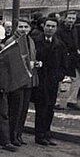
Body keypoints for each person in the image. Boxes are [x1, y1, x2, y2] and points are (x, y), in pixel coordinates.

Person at [31, 17, 65, 146]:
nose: (50, 29)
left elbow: (63, 62)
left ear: (56, 28)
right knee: (41, 108)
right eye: (48, 26)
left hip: (53, 80)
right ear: (43, 26)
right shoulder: (36, 42)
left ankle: (47, 133)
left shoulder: (59, 44)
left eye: (53, 26)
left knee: (50, 107)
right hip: (40, 79)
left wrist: (60, 75)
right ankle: (39, 135)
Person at [5, 19, 38, 146]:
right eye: (21, 27)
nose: (23, 29)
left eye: (26, 27)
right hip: (16, 80)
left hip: (28, 80)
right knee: (15, 110)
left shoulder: (30, 40)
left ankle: (18, 134)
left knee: (24, 109)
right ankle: (12, 135)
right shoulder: (12, 41)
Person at [55, 11, 80, 110]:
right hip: (62, 56)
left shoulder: (74, 29)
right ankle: (56, 100)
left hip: (73, 57)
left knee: (78, 76)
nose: (71, 21)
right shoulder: (59, 30)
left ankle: (71, 100)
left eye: (73, 19)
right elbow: (59, 43)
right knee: (59, 78)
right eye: (69, 18)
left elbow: (75, 41)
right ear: (65, 18)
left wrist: (77, 49)